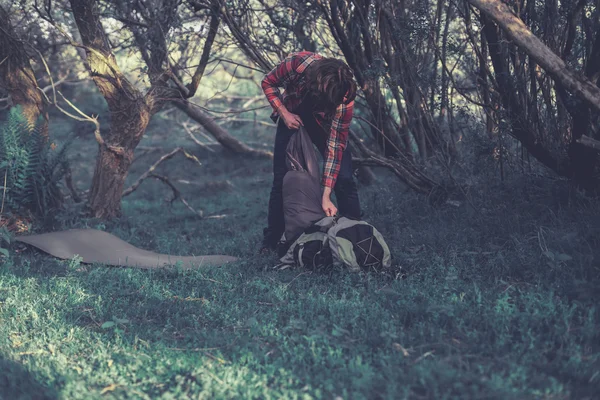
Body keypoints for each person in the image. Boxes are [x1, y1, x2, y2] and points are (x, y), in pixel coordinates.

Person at [259, 50, 362, 254]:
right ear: (315, 82)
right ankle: (272, 242)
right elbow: (268, 83)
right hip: (292, 113)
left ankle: (356, 236)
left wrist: (326, 195)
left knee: (344, 177)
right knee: (283, 178)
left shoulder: (344, 99)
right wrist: (284, 113)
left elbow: (335, 149)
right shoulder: (298, 64)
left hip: (324, 124)